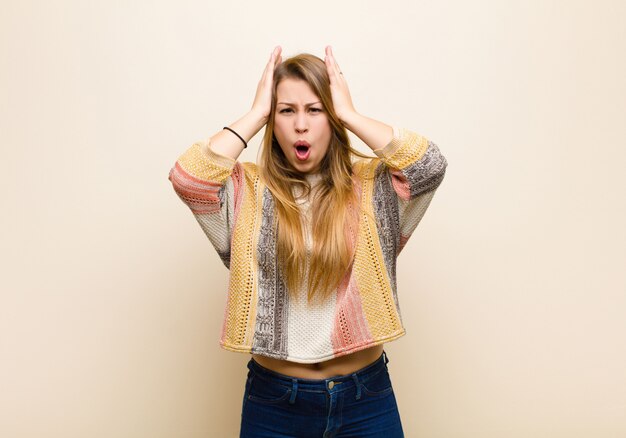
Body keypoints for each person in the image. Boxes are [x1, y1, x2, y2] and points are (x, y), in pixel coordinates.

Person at [169, 45, 447, 437]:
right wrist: (255, 114)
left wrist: (350, 114)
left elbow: (430, 166)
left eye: (315, 110)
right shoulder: (246, 191)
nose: (301, 125)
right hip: (275, 404)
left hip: (366, 398)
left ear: (331, 119)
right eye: (286, 111)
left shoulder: (373, 189)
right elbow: (188, 178)